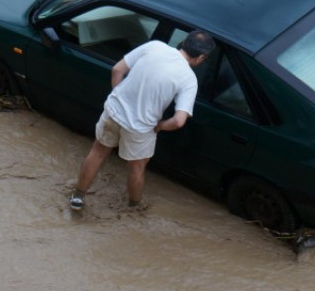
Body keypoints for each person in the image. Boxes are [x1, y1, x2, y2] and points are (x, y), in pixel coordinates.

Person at [69, 30, 215, 211]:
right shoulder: (189, 79)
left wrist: (117, 96)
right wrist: (159, 126)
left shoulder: (154, 46)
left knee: (97, 152)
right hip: (142, 127)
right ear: (201, 57)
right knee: (136, 167)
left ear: (184, 42)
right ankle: (134, 207)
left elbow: (117, 70)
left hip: (113, 112)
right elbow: (178, 121)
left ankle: (78, 197)